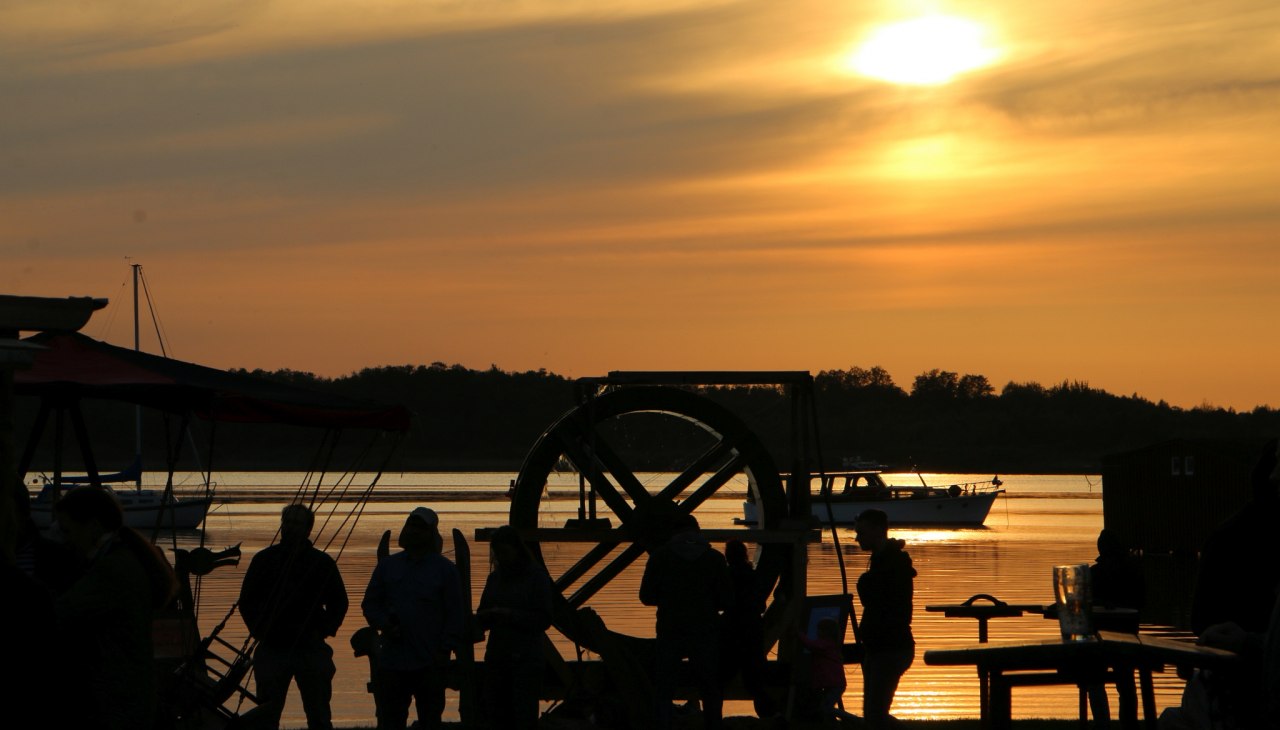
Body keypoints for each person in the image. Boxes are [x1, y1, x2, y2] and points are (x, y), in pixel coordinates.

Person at [53, 486, 177, 730]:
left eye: (67, 531)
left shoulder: (111, 572)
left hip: (116, 706)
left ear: (94, 527)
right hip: (131, 700)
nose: (65, 540)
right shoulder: (125, 559)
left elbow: (59, 615)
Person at [239, 504, 348, 730]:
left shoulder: (321, 562)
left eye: (297, 523)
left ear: (309, 529)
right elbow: (248, 601)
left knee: (318, 714)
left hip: (311, 646)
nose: (290, 527)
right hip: (272, 647)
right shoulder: (264, 559)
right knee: (266, 714)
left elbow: (339, 602)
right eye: (287, 522)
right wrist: (259, 630)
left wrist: (324, 629)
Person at [362, 506, 465, 730]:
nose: (414, 531)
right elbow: (370, 604)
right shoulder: (387, 566)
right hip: (393, 660)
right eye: (411, 525)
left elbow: (456, 614)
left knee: (430, 720)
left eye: (421, 528)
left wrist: (444, 649)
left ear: (431, 534)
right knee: (391, 719)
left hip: (430, 661)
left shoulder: (445, 570)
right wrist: (384, 624)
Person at [639, 514, 732, 730]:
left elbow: (646, 597)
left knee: (664, 686)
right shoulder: (715, 558)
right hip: (705, 629)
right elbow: (727, 600)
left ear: (673, 533)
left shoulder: (660, 557)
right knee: (710, 686)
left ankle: (662, 724)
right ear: (698, 532)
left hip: (670, 629)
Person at [476, 525, 553, 729]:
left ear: (517, 549)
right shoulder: (495, 578)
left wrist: (511, 615)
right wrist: (485, 618)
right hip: (497, 657)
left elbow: (544, 619)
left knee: (523, 716)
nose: (501, 557)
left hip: (526, 660)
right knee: (496, 715)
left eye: (505, 552)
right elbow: (482, 612)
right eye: (498, 553)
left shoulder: (537, 577)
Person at [854, 508, 916, 730]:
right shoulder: (881, 562)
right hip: (878, 647)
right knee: (872, 714)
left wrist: (864, 582)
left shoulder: (893, 564)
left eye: (861, 532)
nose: (857, 537)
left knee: (876, 714)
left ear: (878, 530)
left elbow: (879, 600)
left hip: (891, 647)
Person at [721, 539, 780, 721]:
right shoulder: (753, 576)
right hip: (752, 629)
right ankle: (770, 716)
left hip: (731, 629)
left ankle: (713, 716)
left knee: (722, 675)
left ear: (727, 556)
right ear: (745, 555)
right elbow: (760, 605)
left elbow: (721, 601)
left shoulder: (726, 576)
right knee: (755, 678)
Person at [797, 617, 858, 724]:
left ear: (827, 632)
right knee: (824, 708)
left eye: (820, 630)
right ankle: (835, 724)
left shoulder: (827, 645)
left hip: (835, 684)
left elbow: (811, 645)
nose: (817, 632)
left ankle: (855, 720)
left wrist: (799, 634)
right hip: (830, 684)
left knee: (827, 708)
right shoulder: (829, 645)